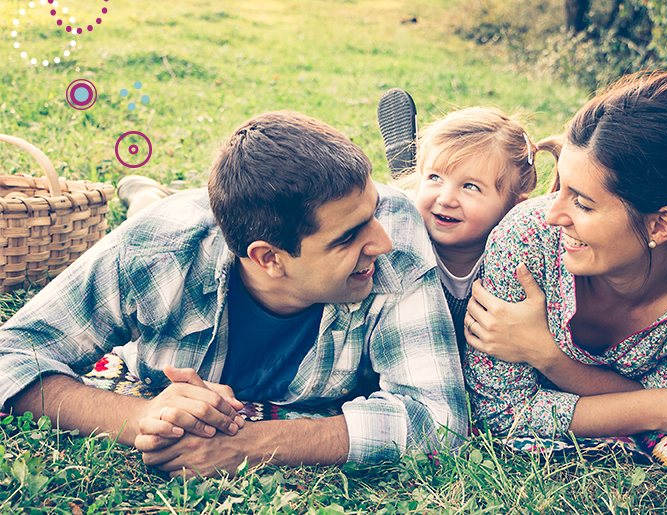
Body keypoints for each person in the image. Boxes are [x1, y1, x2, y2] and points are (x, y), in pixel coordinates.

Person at [0, 111, 468, 477]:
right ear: (269, 258)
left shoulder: (396, 230)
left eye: (372, 213)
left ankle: (149, 191)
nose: (381, 242)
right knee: (152, 211)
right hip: (178, 224)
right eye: (347, 238)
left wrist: (245, 446)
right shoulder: (155, 248)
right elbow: (11, 354)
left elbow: (439, 418)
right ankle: (146, 196)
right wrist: (142, 415)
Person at [463, 71, 667, 441]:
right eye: (561, 186)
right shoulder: (527, 239)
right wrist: (664, 407)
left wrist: (548, 357)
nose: (552, 215)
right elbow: (503, 411)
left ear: (660, 225)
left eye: (583, 203)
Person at [391, 105, 540, 354]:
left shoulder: (517, 263)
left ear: (514, 209)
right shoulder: (402, 242)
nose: (447, 199)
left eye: (470, 186)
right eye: (434, 177)